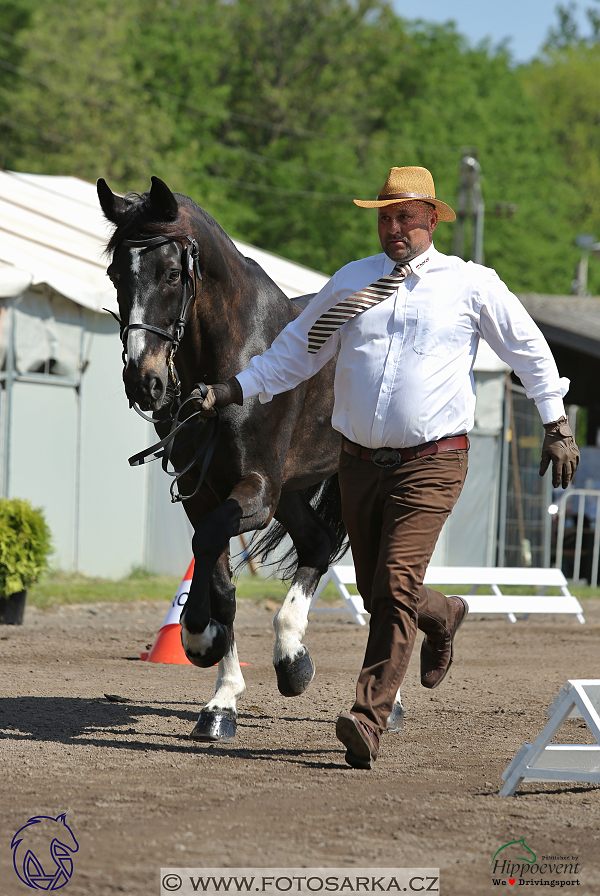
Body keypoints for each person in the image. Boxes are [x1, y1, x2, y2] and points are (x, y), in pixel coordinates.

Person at [200, 166, 580, 770]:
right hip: (357, 464)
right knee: (385, 592)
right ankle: (445, 613)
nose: (393, 227)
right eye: (385, 216)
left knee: (394, 585)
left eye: (404, 216)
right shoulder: (352, 283)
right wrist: (233, 390)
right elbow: (296, 350)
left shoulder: (470, 285)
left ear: (432, 218)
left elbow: (529, 349)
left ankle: (367, 717)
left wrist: (557, 424)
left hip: (434, 460)